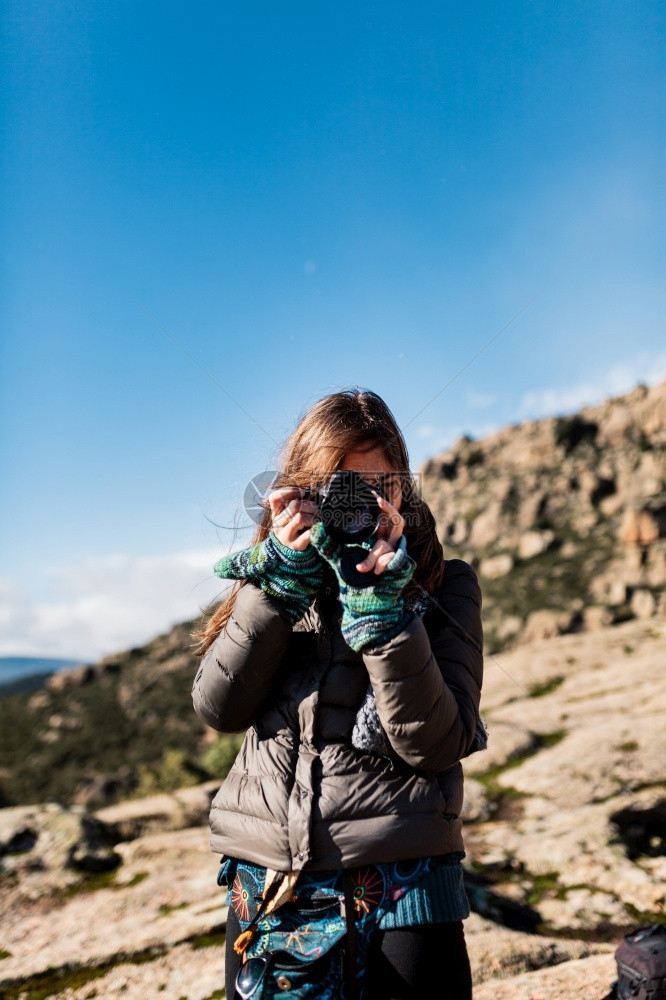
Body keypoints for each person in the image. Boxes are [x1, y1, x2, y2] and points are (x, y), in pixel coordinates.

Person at [191, 388, 486, 1000]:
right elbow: (219, 707)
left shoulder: (444, 586)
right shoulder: (272, 579)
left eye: (374, 486)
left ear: (401, 491)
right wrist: (274, 589)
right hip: (271, 881)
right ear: (301, 491)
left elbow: (436, 743)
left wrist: (385, 615)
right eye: (336, 486)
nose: (356, 504)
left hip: (403, 881)